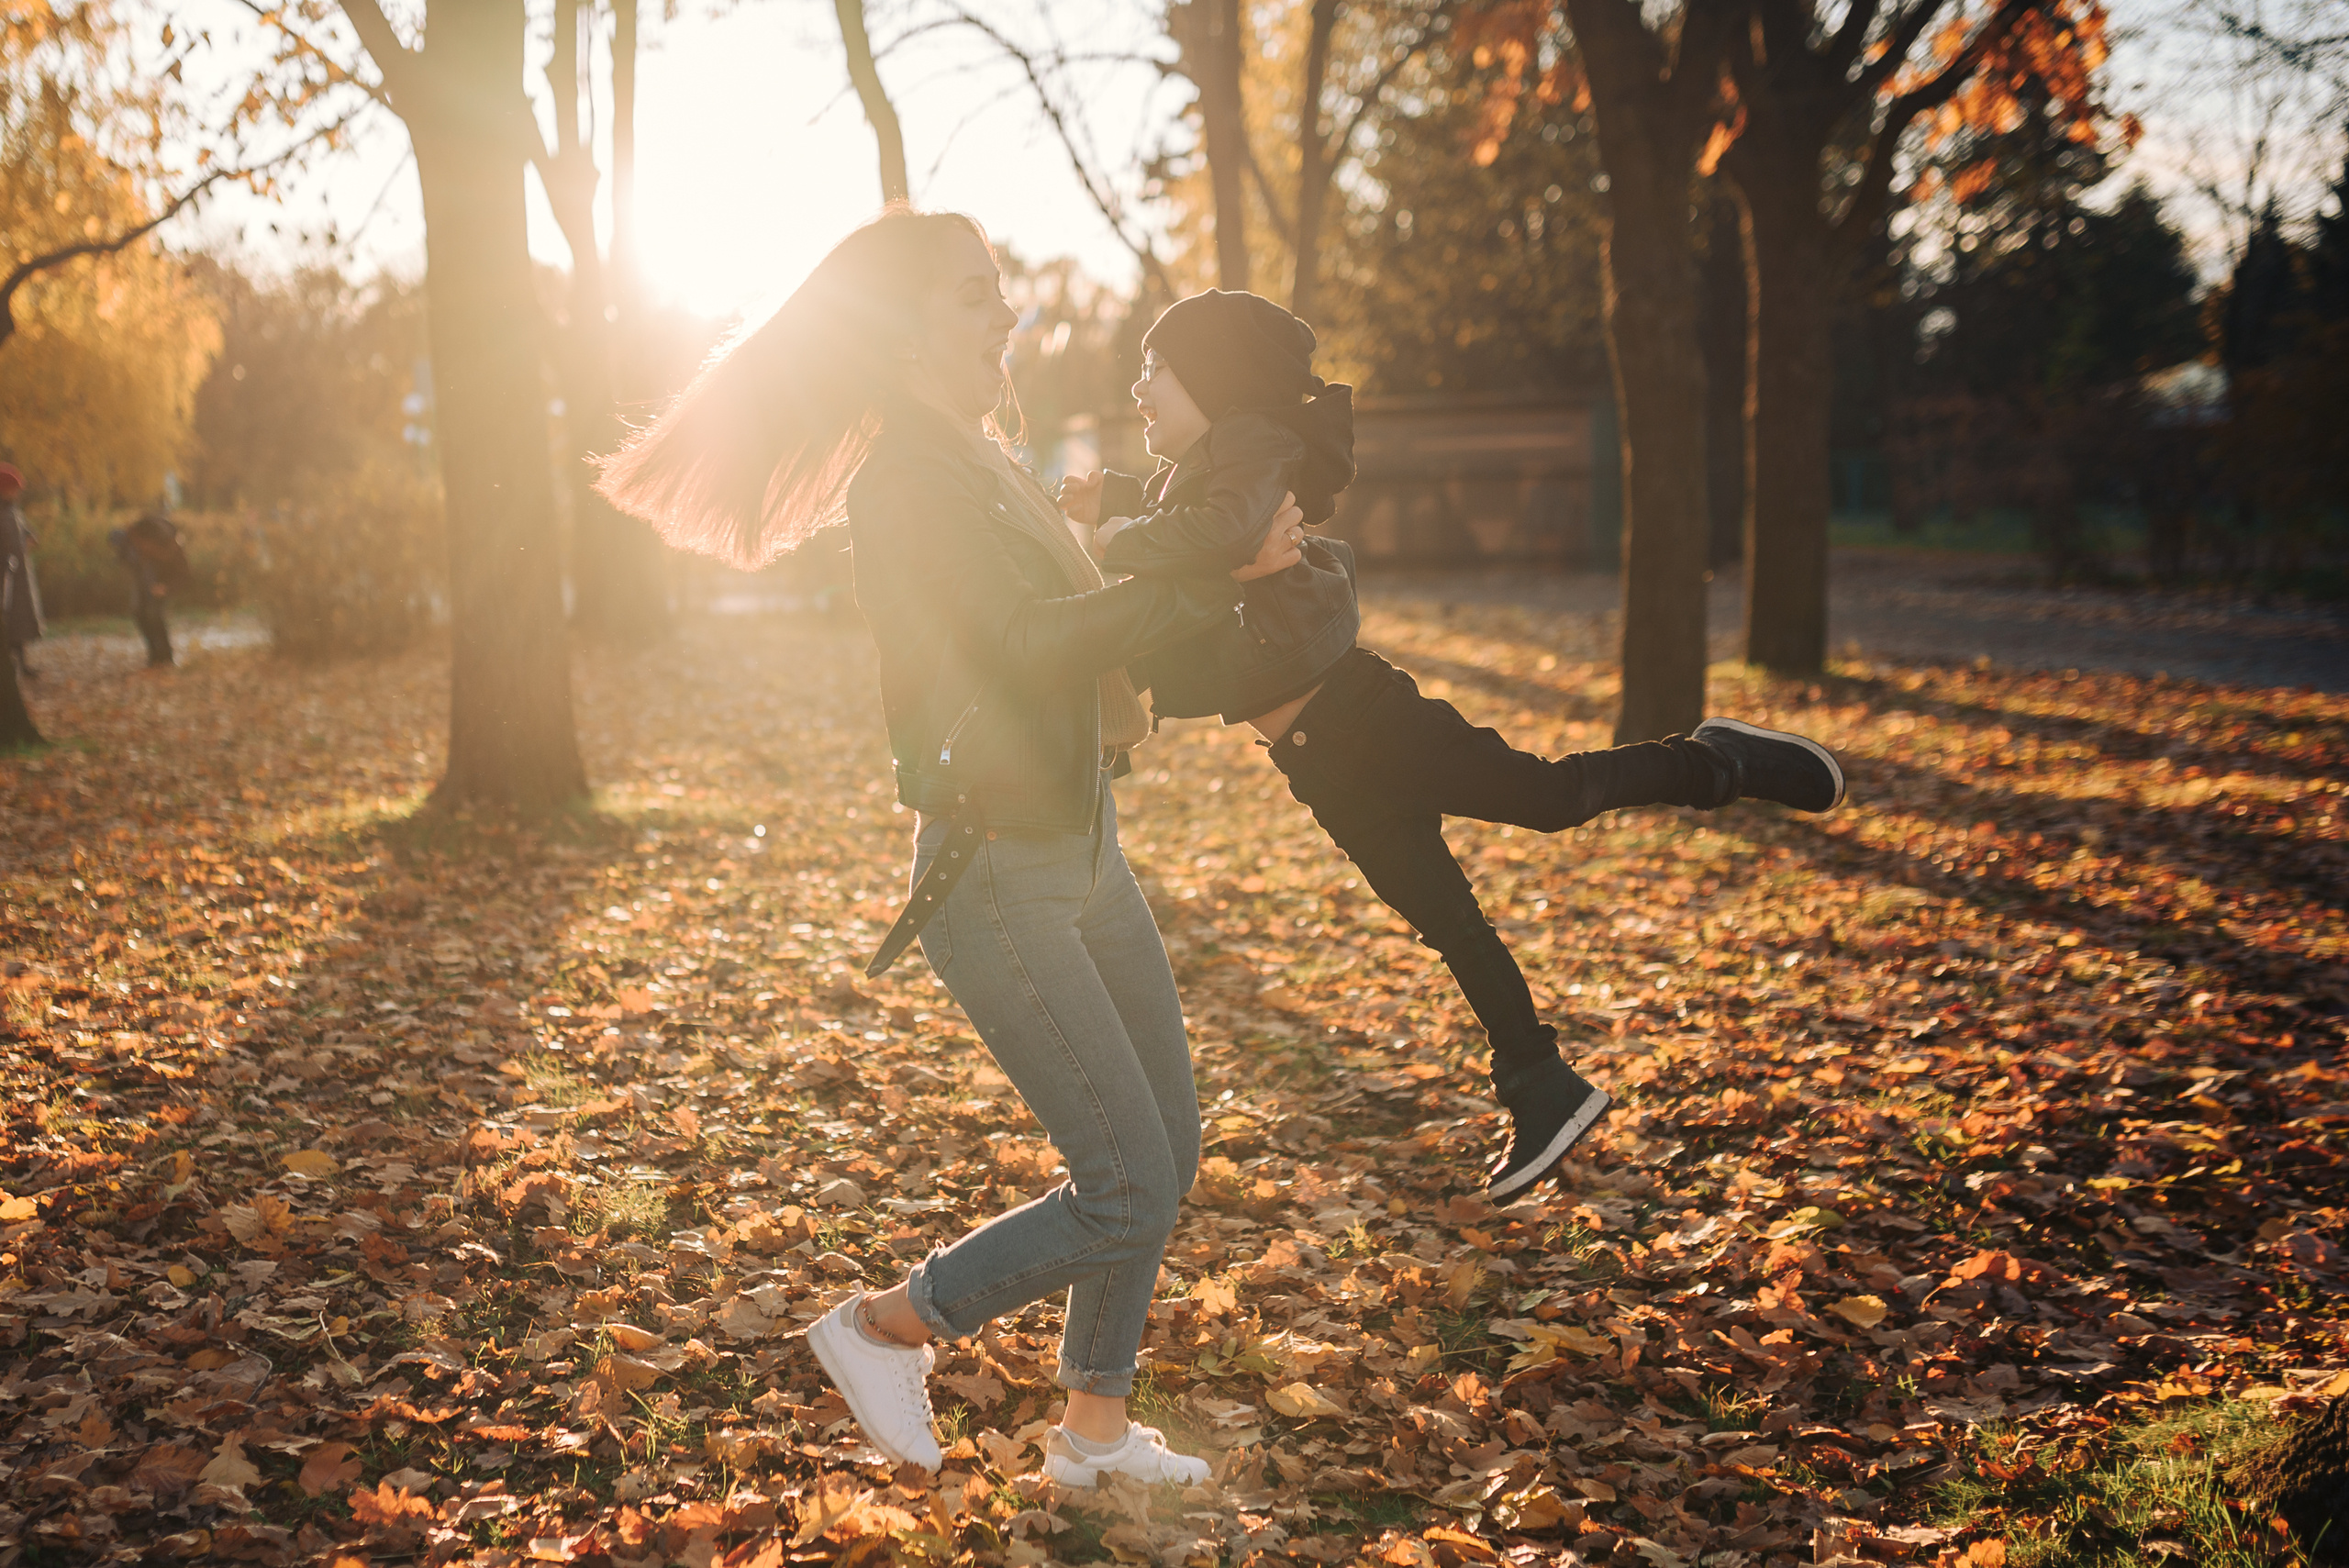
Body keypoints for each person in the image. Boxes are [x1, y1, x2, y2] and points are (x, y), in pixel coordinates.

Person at [596, 209, 1301, 1485]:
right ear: (907, 329)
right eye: (977, 297)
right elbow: (1031, 640)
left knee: (1166, 1149)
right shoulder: (909, 484)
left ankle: (1092, 1434)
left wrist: (1247, 588)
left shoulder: (980, 456)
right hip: (995, 872)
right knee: (1128, 1177)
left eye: (1001, 291)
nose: (1007, 317)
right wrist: (1211, 577)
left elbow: (1101, 614)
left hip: (1081, 842)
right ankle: (886, 1327)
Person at [1061, 290, 1848, 1201]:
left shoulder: (1251, 440)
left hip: (1363, 714)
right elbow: (1203, 528)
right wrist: (1113, 500)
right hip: (1317, 756)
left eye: (1157, 365)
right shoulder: (1197, 471)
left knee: (1548, 797)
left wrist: (1121, 532)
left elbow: (1225, 526)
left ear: (1212, 375)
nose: (1139, 383)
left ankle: (1715, 762)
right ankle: (1543, 1085)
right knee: (1447, 919)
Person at [108, 512, 187, 669]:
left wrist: (165, 587)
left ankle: (166, 656)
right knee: (139, 612)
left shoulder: (174, 555)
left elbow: (183, 576)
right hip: (144, 581)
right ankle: (155, 655)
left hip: (161, 584)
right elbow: (131, 563)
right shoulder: (133, 542)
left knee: (154, 614)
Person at [0, 465, 43, 679]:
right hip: (6, 574)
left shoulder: (13, 510)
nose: (16, 493)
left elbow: (24, 531)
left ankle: (22, 664)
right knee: (7, 619)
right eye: (13, 489)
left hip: (19, 574)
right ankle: (10, 667)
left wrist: (30, 537)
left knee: (18, 620)